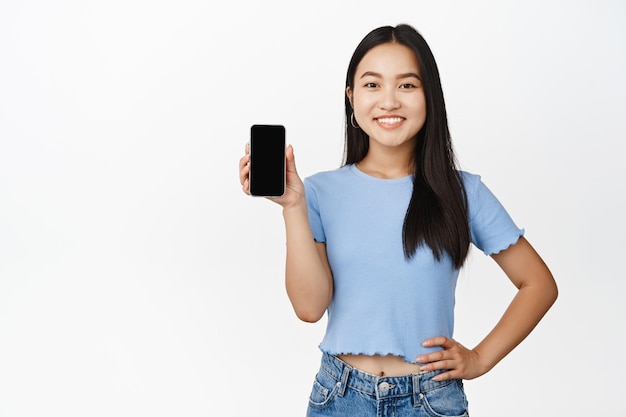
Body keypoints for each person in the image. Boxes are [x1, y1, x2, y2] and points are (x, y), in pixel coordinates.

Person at [238, 24, 557, 417]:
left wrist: (479, 359)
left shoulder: (462, 192)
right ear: (351, 98)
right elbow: (309, 308)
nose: (389, 101)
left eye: (407, 85)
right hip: (339, 396)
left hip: (430, 401)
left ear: (429, 97)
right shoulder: (317, 192)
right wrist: (292, 208)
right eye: (372, 85)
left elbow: (539, 284)